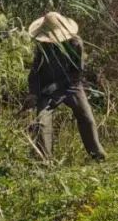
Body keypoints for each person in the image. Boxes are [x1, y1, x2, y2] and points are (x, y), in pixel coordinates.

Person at [27, 11, 107, 161]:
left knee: (87, 117)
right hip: (47, 88)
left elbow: (77, 72)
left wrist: (58, 86)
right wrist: (33, 93)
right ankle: (44, 161)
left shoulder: (75, 43)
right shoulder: (43, 46)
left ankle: (98, 156)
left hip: (71, 85)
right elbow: (35, 72)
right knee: (42, 122)